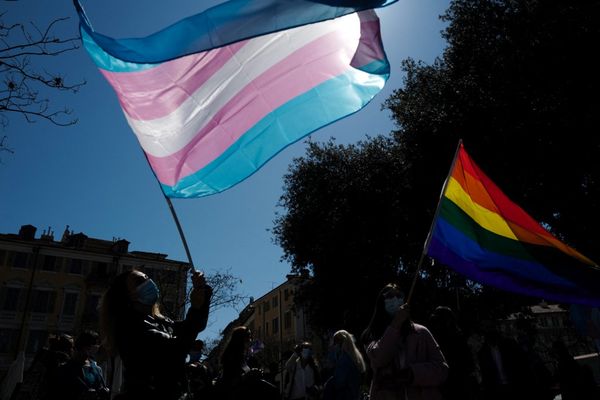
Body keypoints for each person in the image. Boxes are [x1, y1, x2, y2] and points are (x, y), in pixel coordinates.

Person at [99, 268, 212, 400]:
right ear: (128, 295)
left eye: (147, 277)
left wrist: (203, 292)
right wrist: (196, 308)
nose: (148, 282)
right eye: (140, 281)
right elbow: (175, 349)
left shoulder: (160, 320)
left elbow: (192, 326)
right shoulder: (129, 327)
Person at [361, 283, 448, 400]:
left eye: (399, 295)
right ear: (381, 302)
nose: (395, 299)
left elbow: (442, 369)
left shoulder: (421, 332)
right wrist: (395, 324)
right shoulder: (372, 334)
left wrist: (412, 373)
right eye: (390, 296)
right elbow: (379, 359)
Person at [428, 306, 478, 400]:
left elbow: (468, 363)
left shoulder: (457, 339)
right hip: (448, 384)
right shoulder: (436, 339)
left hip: (457, 384)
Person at [217, 326, 278, 400]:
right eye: (248, 337)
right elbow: (230, 381)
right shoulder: (232, 356)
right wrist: (250, 374)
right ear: (240, 339)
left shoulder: (241, 356)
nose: (250, 340)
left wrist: (253, 372)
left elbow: (244, 373)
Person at [46, 330, 109, 400]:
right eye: (95, 344)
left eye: (98, 344)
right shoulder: (65, 369)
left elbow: (100, 388)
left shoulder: (96, 368)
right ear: (85, 346)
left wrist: (103, 392)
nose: (97, 347)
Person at [323, 330, 366, 400]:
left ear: (340, 344)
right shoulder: (355, 357)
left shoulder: (344, 360)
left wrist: (329, 383)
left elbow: (339, 383)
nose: (334, 346)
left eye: (335, 344)